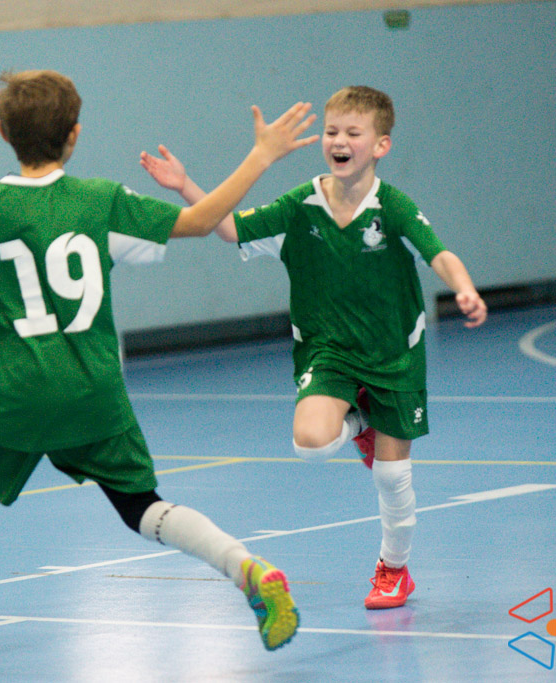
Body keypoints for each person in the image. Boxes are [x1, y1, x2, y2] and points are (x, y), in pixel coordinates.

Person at [0, 69, 318, 675]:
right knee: (142, 506)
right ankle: (244, 566)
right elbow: (203, 221)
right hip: (95, 392)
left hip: (17, 396)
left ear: (2, 133)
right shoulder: (101, 201)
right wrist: (260, 155)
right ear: (74, 134)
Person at [140, 85, 487, 612]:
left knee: (392, 478)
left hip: (394, 355)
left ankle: (394, 570)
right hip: (329, 353)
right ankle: (361, 423)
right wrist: (185, 184)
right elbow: (230, 229)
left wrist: (464, 288)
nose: (339, 141)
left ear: (381, 145)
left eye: (353, 133)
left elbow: (440, 254)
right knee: (310, 442)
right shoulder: (300, 207)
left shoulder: (392, 207)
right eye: (331, 132)